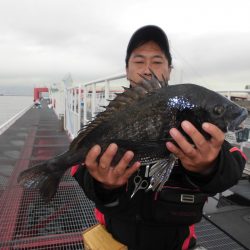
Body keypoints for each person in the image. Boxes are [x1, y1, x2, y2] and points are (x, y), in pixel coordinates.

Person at [71, 25, 246, 250]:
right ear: (126, 69)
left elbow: (232, 165)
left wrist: (208, 166)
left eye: (157, 61)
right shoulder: (108, 123)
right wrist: (102, 184)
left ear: (170, 69)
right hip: (113, 240)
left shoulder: (188, 115)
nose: (147, 70)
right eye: (139, 61)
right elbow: (79, 169)